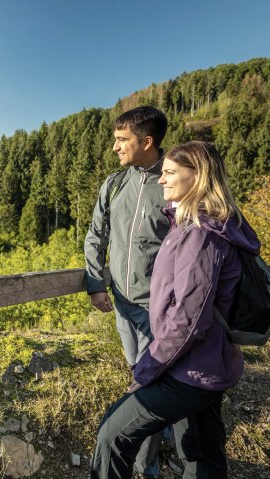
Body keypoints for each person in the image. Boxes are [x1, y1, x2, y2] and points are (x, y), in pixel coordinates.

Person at [89, 141, 261, 478]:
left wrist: (147, 369)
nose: (162, 180)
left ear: (196, 177)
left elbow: (187, 320)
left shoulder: (200, 235)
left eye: (170, 173)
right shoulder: (210, 225)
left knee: (112, 434)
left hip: (189, 369)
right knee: (201, 452)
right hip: (209, 363)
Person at [84, 106, 170, 477]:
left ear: (146, 142)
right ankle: (162, 427)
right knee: (138, 371)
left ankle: (145, 465)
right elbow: (95, 236)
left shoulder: (176, 183)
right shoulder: (115, 183)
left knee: (146, 386)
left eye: (122, 140)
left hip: (161, 311)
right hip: (121, 303)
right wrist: (94, 283)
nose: (115, 148)